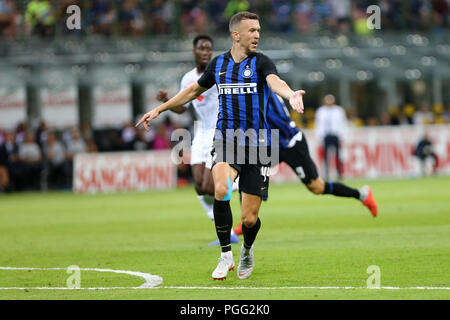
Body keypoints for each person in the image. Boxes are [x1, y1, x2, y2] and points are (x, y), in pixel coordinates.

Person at [137, 11, 306, 280]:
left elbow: (276, 82)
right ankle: (226, 254)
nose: (257, 35)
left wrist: (291, 94)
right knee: (221, 187)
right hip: (226, 139)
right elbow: (192, 91)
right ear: (236, 34)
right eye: (252, 31)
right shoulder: (219, 65)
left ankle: (247, 250)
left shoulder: (261, 63)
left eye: (259, 30)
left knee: (249, 219)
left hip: (258, 144)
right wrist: (160, 109)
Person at [233, 91, 378, 236]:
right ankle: (245, 220)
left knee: (317, 187)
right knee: (248, 172)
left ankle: (361, 194)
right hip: (270, 144)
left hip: (290, 143)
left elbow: (271, 120)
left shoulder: (265, 93)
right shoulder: (249, 91)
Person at [156, 34, 239, 245]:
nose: (205, 52)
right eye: (201, 48)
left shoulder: (219, 73)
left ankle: (235, 184)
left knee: (212, 187)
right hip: (201, 132)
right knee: (200, 187)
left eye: (208, 49)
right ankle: (222, 224)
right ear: (194, 51)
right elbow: (182, 107)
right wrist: (167, 100)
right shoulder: (188, 78)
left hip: (219, 131)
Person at [315, 94, 347, 180]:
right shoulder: (320, 111)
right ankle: (326, 174)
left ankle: (339, 173)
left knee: (338, 156)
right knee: (325, 157)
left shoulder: (339, 110)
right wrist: (319, 136)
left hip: (336, 135)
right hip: (325, 136)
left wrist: (342, 136)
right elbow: (318, 125)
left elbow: (343, 124)